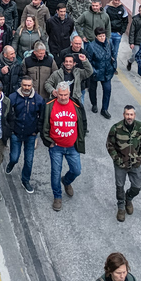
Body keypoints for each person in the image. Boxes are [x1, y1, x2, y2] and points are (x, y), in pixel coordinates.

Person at [40, 81, 86, 212]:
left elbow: (83, 122)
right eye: (60, 94)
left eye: (65, 94)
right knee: (55, 172)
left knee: (76, 170)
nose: (63, 97)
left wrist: (80, 139)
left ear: (69, 93)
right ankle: (57, 197)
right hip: (56, 147)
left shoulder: (76, 105)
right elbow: (42, 124)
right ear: (56, 93)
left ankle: (66, 181)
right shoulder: (49, 105)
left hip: (72, 147)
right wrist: (48, 142)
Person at [107, 105, 141, 222]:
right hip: (121, 163)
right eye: (127, 114)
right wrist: (117, 159)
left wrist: (140, 157)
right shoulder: (116, 128)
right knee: (119, 186)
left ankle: (128, 198)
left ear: (134, 115)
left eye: (131, 114)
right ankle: (121, 207)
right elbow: (110, 145)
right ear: (123, 115)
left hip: (135, 163)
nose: (129, 117)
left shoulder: (140, 127)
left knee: (137, 186)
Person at [6, 75, 45, 194]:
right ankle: (11, 164)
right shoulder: (12, 98)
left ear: (32, 86)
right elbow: (7, 115)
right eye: (24, 85)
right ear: (21, 85)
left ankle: (25, 180)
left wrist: (36, 131)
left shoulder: (38, 100)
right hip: (16, 133)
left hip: (31, 134)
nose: (26, 87)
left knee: (29, 160)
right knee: (14, 157)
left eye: (29, 85)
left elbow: (42, 117)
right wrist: (10, 129)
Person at [84, 27, 116, 118]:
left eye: (104, 36)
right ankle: (94, 104)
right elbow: (88, 61)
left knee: (107, 90)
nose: (103, 38)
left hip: (107, 72)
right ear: (96, 36)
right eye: (100, 36)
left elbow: (114, 55)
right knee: (92, 89)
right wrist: (94, 71)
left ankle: (104, 109)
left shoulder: (109, 43)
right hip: (96, 72)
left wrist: (114, 67)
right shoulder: (91, 46)